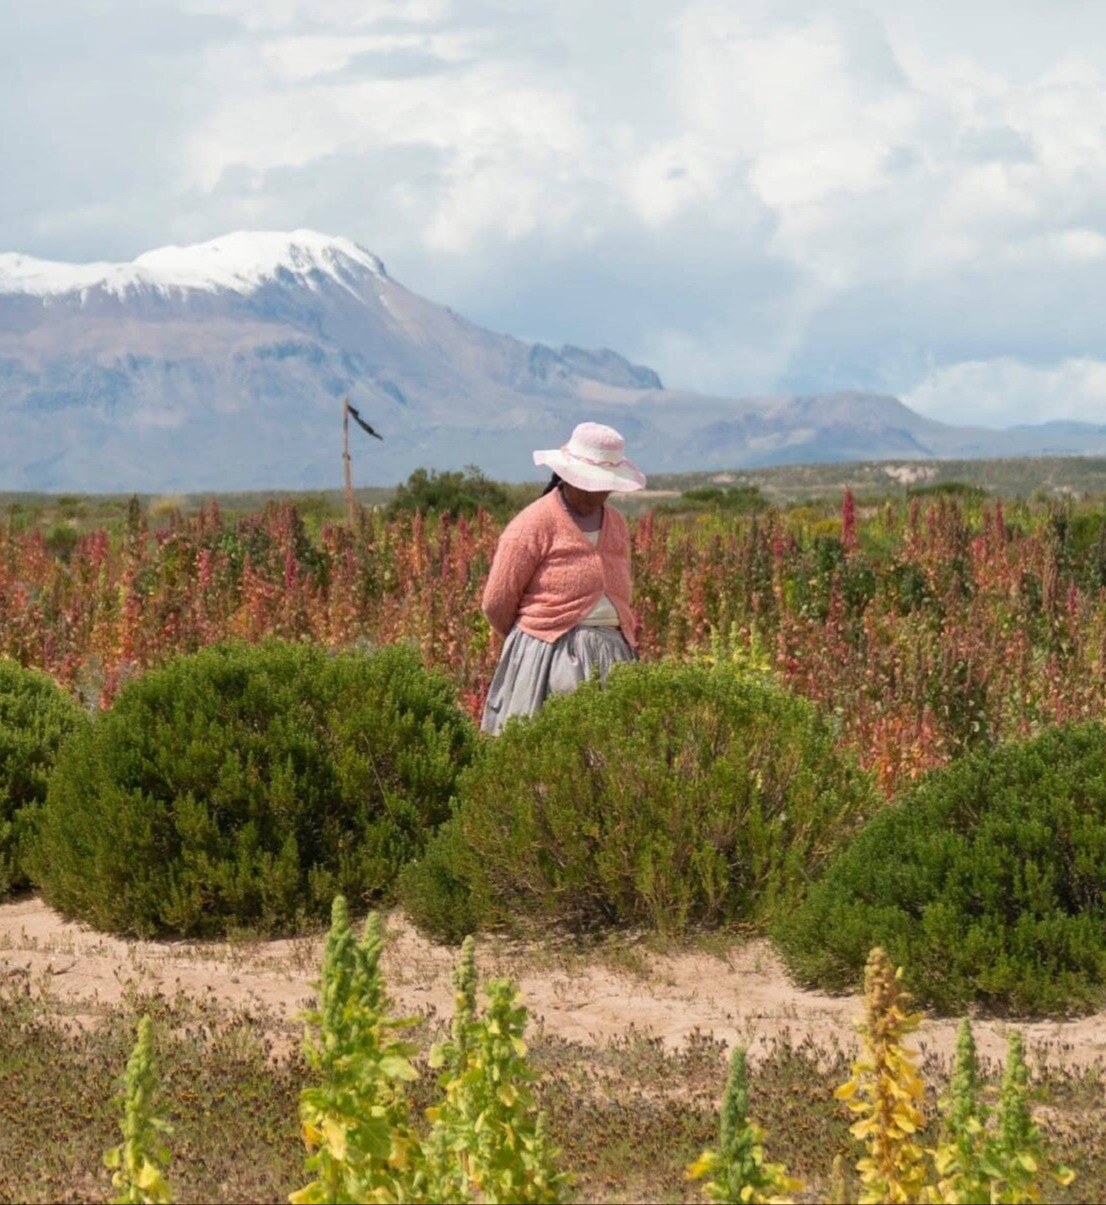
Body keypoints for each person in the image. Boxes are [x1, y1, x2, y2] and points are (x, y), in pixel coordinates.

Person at [480, 421, 646, 735]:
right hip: (548, 656)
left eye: (603, 483)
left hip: (613, 658)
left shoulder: (617, 524)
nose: (596, 491)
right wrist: (534, 639)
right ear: (567, 476)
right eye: (589, 482)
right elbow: (496, 602)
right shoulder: (533, 523)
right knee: (549, 755)